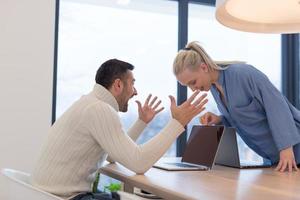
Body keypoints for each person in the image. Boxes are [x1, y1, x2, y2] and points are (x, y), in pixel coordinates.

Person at [31, 58, 208, 200]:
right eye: (132, 83)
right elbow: (139, 163)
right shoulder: (99, 109)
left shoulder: (90, 104)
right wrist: (178, 122)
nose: (135, 91)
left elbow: (111, 155)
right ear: (118, 85)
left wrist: (141, 122)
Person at [173, 41, 300, 173]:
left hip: (292, 153)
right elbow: (243, 118)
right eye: (188, 86)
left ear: (204, 67)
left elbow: (277, 107)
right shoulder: (214, 89)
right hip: (276, 159)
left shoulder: (244, 74)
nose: (193, 89)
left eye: (193, 82)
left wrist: (286, 148)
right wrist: (219, 119)